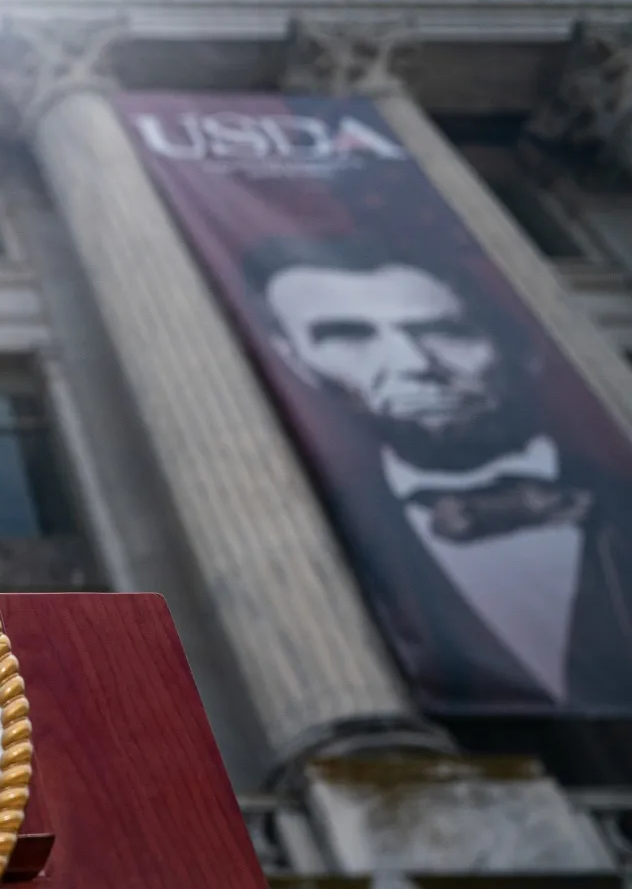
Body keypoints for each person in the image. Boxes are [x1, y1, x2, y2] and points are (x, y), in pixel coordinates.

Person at [247, 236, 632, 712]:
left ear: (518, 347)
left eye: (446, 332)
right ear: (295, 360)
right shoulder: (316, 529)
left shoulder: (619, 491)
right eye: (348, 335)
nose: (414, 365)